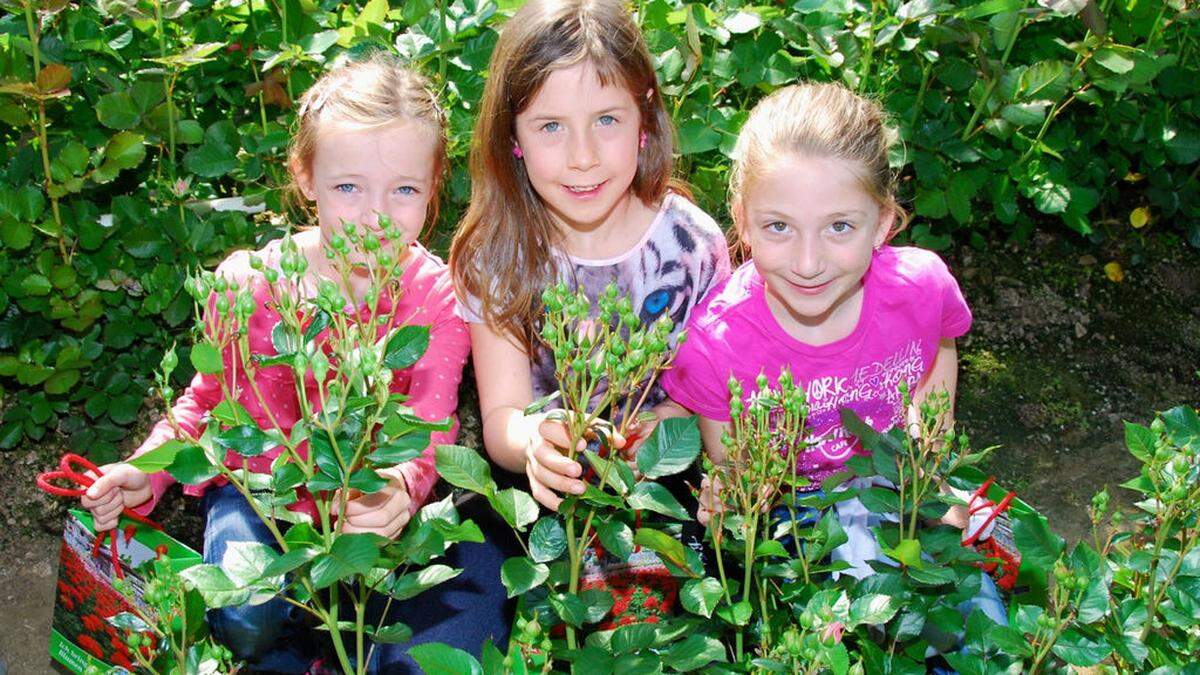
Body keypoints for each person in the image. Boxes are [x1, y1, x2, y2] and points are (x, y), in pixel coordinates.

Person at [79, 55, 500, 674]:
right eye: (348, 186)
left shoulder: (435, 298)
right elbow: (204, 405)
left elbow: (428, 425)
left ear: (435, 186)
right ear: (305, 177)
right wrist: (149, 472)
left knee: (393, 635)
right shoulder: (250, 285)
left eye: (404, 189)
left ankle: (324, 641)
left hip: (366, 502)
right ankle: (282, 643)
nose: (375, 215)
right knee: (248, 616)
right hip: (262, 496)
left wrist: (401, 489)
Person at [660, 82, 1007, 630]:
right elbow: (733, 464)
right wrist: (730, 496)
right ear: (742, 219)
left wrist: (927, 459)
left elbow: (939, 346)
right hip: (795, 514)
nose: (807, 262)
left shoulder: (920, 289)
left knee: (978, 624)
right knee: (850, 632)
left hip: (895, 484)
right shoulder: (718, 342)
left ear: (883, 223)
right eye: (779, 227)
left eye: (839, 227)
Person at [448, 0, 729, 625]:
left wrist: (673, 420)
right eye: (549, 126)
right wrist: (535, 445)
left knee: (679, 627)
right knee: (449, 631)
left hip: (662, 485)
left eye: (606, 119)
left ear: (644, 120)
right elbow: (501, 417)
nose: (582, 156)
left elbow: (712, 384)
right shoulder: (497, 255)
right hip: (541, 485)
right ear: (512, 138)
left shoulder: (692, 245)